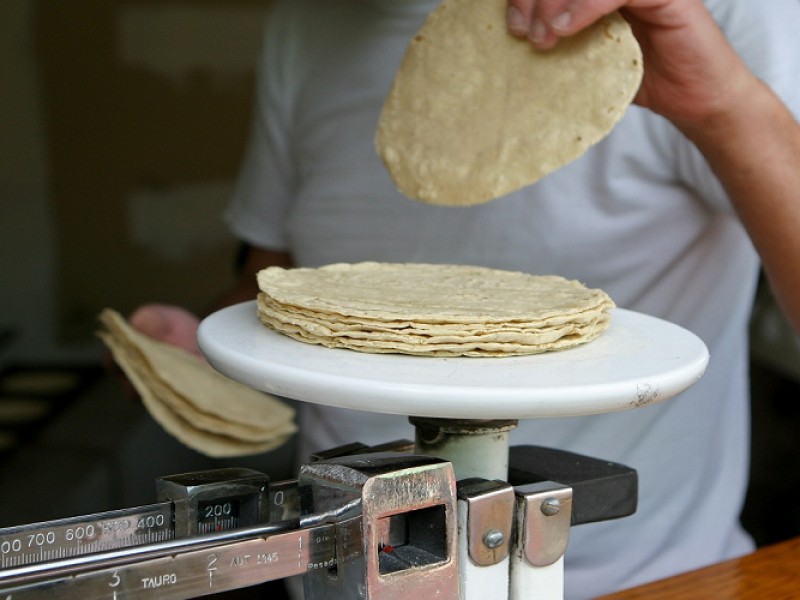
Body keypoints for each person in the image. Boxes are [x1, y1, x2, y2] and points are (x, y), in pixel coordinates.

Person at [131, 0, 800, 597]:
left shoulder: (716, 15)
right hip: (348, 573)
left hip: (647, 579)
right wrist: (199, 355)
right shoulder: (311, 23)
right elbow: (285, 285)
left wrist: (726, 105)